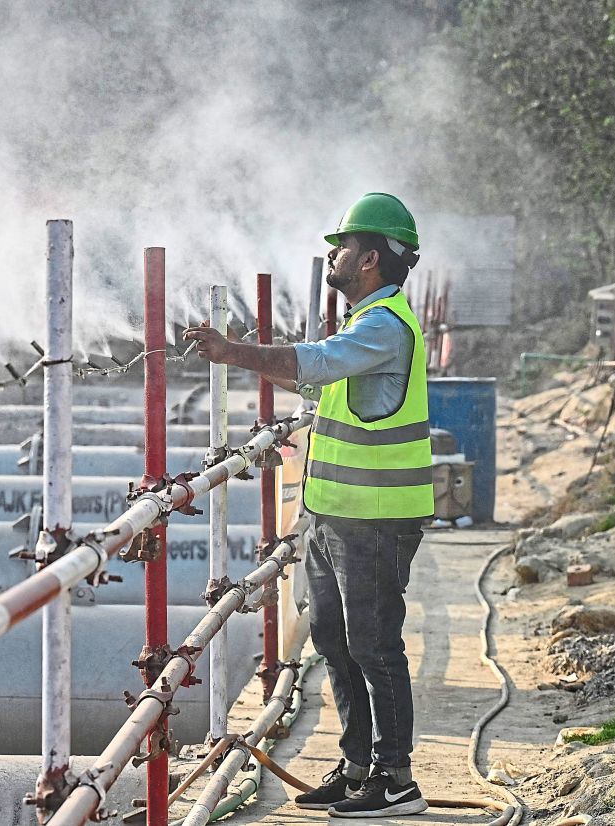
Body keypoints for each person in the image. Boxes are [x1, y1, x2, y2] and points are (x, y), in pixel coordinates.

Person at [183, 192, 433, 818]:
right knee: (334, 639)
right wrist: (250, 358)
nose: (333, 254)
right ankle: (356, 770)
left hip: (374, 518)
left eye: (342, 246)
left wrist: (231, 351)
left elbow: (313, 363)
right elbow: (310, 375)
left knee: (375, 645)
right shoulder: (365, 323)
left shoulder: (383, 326)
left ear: (370, 257)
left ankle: (396, 782)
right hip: (335, 514)